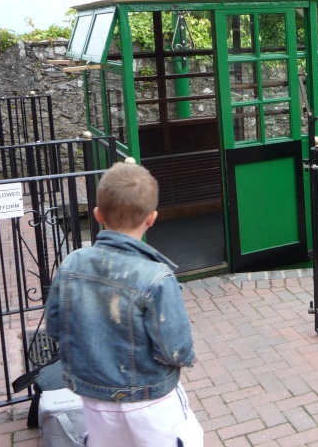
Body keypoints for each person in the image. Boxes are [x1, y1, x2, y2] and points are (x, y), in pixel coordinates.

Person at [45, 162, 203, 447]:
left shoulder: (71, 264)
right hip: (150, 399)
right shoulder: (157, 276)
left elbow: (56, 328)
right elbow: (176, 349)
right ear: (152, 218)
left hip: (94, 397)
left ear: (98, 215)